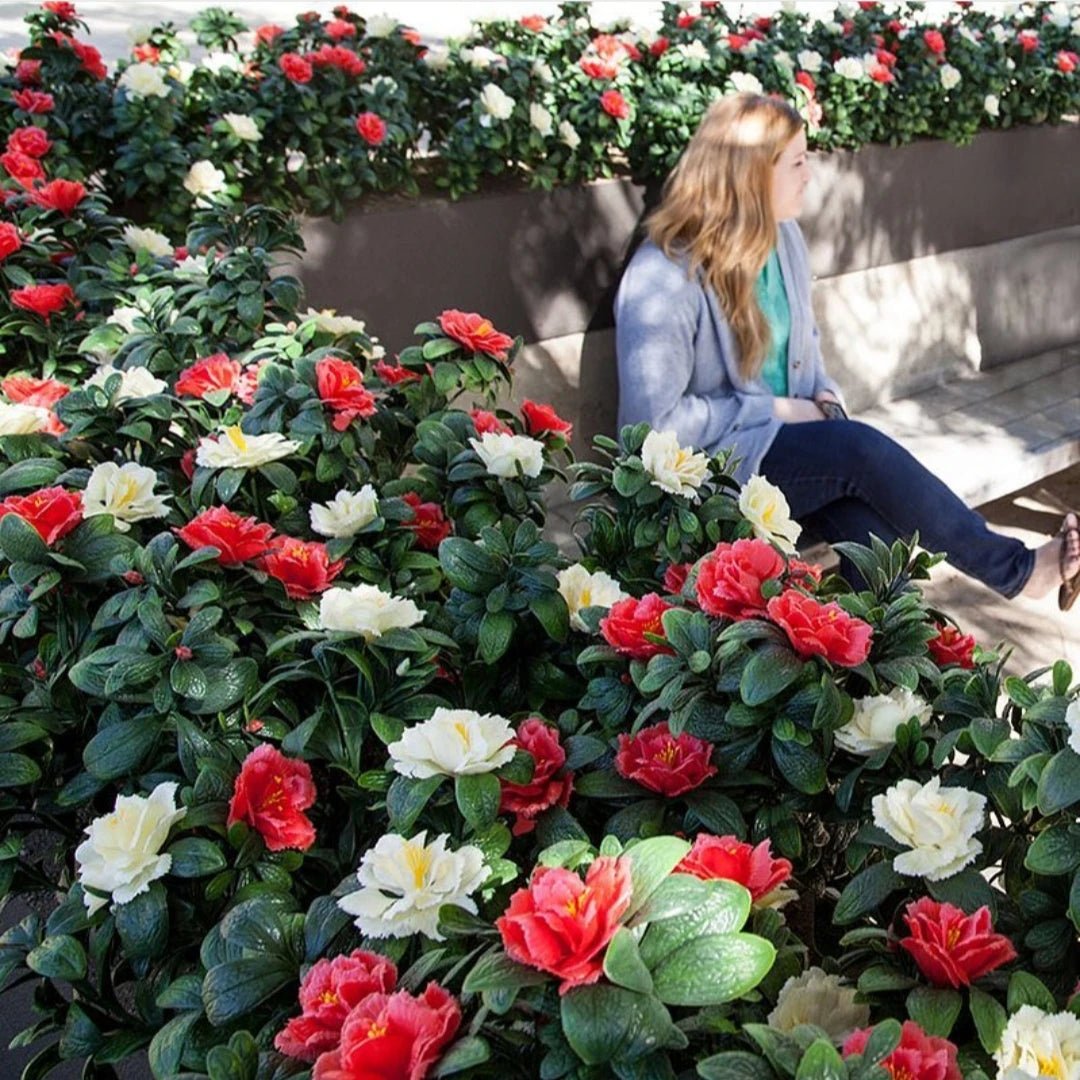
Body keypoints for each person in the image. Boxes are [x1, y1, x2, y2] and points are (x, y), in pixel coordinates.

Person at [615, 93, 1080, 609]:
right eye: (796, 162)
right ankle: (1016, 569)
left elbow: (805, 353)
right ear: (751, 176)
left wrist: (826, 404)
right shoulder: (664, 277)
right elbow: (647, 432)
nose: (809, 174)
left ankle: (862, 674)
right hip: (711, 476)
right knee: (859, 451)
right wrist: (774, 410)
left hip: (785, 459)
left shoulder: (781, 239)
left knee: (876, 551)